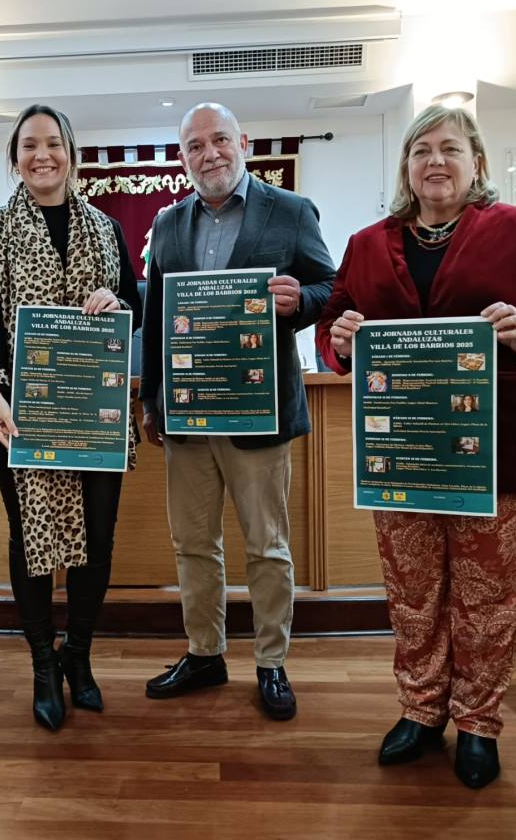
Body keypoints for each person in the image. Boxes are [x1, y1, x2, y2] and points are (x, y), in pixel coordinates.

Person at [316, 105, 516, 788]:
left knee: (488, 594)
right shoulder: (367, 242)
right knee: (413, 591)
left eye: (450, 149)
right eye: (421, 151)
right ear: (406, 167)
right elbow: (333, 324)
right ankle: (420, 710)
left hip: (496, 449)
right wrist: (339, 342)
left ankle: (477, 722)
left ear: (477, 163)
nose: (435, 161)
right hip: (401, 449)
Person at [140, 102, 336, 720]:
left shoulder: (292, 211)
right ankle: (205, 653)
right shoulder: (168, 224)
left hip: (259, 412)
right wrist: (150, 400)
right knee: (193, 544)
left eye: (219, 140)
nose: (210, 154)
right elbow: (155, 318)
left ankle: (272, 661)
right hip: (187, 415)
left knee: (267, 546)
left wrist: (300, 300)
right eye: (195, 146)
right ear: (182, 158)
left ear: (243, 142)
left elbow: (333, 289)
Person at [0, 104, 141, 732]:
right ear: (14, 158)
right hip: (18, 412)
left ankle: (79, 656)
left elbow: (136, 303)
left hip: (95, 411)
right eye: (29, 145)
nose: (43, 155)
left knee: (99, 540)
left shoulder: (107, 228)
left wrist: (117, 300)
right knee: (29, 540)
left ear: (72, 153)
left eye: (53, 143)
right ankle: (43, 664)